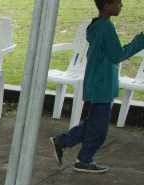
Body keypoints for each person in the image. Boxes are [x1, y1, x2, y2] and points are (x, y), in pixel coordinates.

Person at [51, 0, 144, 173]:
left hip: (98, 85)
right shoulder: (105, 27)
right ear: (107, 5)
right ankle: (83, 159)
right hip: (100, 87)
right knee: (99, 129)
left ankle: (63, 142)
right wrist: (140, 41)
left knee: (93, 124)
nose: (121, 5)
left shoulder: (99, 25)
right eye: (118, 2)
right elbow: (117, 55)